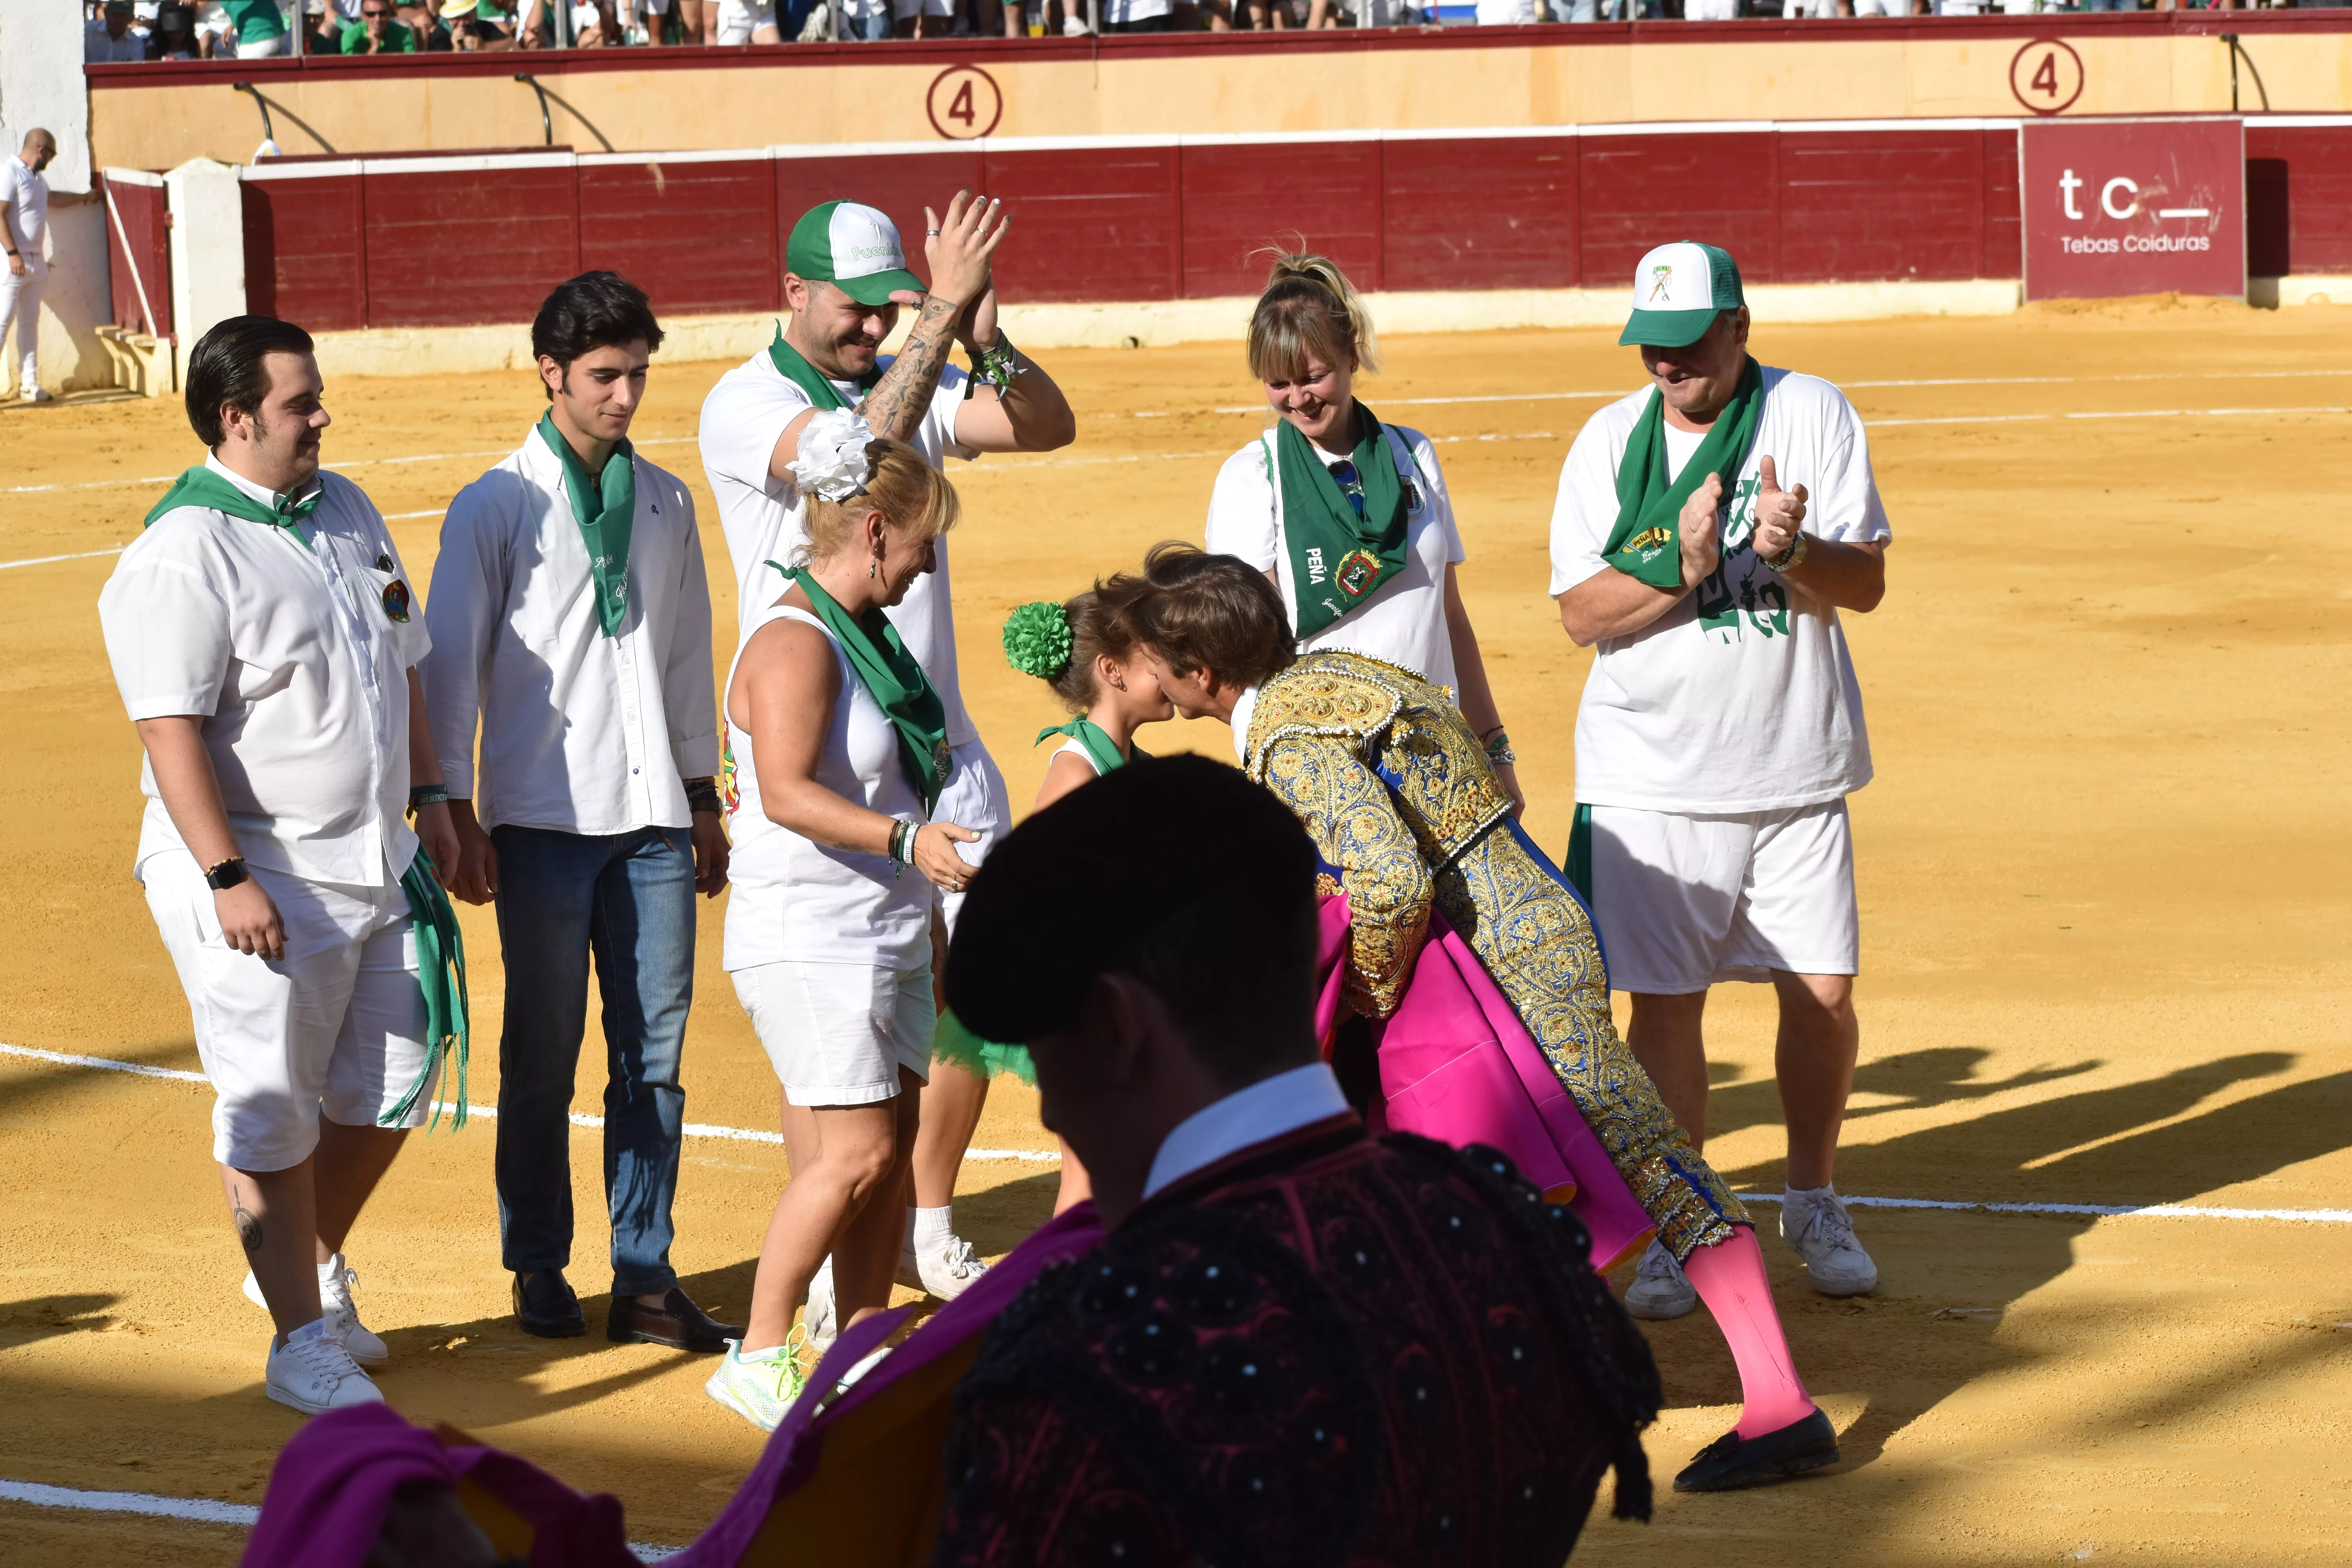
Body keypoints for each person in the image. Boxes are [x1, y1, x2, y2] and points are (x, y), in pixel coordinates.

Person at [1131, 544, 1841, 1491]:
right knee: (1540, 1174)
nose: (1162, 686)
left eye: (1166, 666)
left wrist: (1366, 1000)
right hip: (1527, 924)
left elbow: (1386, 878)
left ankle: (1776, 1401)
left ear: (1203, 672)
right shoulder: (1343, 674)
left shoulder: (1290, 738)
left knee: (1626, 1152)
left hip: (1500, 960)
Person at [927, 754, 1662, 1557]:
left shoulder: (1090, 1350)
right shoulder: (1507, 1230)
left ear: (1113, 1025)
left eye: (1046, 1050)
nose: (1050, 1105)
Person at [698, 192, 1076, 1327]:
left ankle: (922, 1217)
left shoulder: (920, 362)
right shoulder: (744, 402)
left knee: (965, 1001)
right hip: (831, 748)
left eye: (885, 311)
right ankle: (826, 1244)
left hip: (938, 747)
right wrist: (939, 313)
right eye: (855, 312)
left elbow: (1050, 425)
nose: (871, 329)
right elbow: (859, 458)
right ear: (794, 291)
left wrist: (986, 338)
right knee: (836, 1015)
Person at [96, 315, 468, 1415]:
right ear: (236, 416)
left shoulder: (345, 507)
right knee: (271, 1104)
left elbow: (403, 658)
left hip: (374, 852)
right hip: (258, 870)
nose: (322, 416)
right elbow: (170, 733)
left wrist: (437, 795)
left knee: (396, 1083)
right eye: (301, 403)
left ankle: (307, 1267)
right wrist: (225, 878)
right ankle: (297, 1337)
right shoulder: (180, 553)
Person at [1549, 240, 1890, 1323]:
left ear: (1738, 327)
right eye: (1651, 346)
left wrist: (1796, 554)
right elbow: (1580, 616)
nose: (1667, 365)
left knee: (1824, 993)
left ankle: (1814, 1195)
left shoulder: (1813, 412)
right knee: (1665, 1012)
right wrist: (1681, 568)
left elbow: (1867, 584)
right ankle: (1678, 1216)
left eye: (1687, 343)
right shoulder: (1610, 442)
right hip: (1652, 774)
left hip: (1793, 762)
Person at [421, 273, 740, 1352]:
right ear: (550, 372)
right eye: (606, 376)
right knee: (545, 1053)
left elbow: (689, 657)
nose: (626, 397)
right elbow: (450, 667)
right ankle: (539, 1262)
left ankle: (645, 1274)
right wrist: (447, 807)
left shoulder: (667, 498)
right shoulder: (495, 503)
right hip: (543, 824)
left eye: (638, 375)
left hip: (653, 816)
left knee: (653, 1058)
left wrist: (702, 795)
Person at [703, 414, 976, 1430]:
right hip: (812, 938)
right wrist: (909, 846)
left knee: (891, 1155)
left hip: (883, 930)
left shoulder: (865, 638)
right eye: (919, 544)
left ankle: (857, 1347)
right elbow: (781, 792)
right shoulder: (794, 640)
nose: (925, 565)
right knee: (854, 1157)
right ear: (872, 532)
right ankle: (762, 1349)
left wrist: (923, 905)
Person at [1204, 252, 1524, 814]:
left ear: (1351, 354)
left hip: (1437, 755)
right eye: (1278, 383)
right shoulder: (1251, 479)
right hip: (1329, 770)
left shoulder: (1413, 453)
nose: (1298, 399)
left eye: (1313, 377)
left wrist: (1494, 749)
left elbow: (1448, 616)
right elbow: (1248, 656)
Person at [956, 581, 1172, 1218]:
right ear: (1113, 671)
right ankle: (1065, 1309)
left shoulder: (1127, 762)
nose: (1175, 666)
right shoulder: (1076, 776)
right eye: (1157, 654)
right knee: (1090, 1188)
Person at [1, 130, 55, 406]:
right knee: (2, 322)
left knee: (29, 324)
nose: (52, 159)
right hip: (13, 261)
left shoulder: (37, 178)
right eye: (52, 154)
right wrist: (12, 254)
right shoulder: (10, 171)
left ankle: (29, 382)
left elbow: (51, 199)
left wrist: (85, 198)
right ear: (41, 149)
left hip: (36, 260)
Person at [341, 0, 421, 48]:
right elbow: (355, 74)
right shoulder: (351, 37)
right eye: (371, 14)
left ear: (389, 13)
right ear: (363, 16)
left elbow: (410, 70)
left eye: (383, 13)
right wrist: (374, 47)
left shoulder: (404, 34)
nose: (378, 19)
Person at [86, 0, 151, 58]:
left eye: (124, 16)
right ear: (106, 13)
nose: (119, 20)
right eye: (115, 14)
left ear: (131, 19)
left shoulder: (136, 44)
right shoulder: (87, 31)